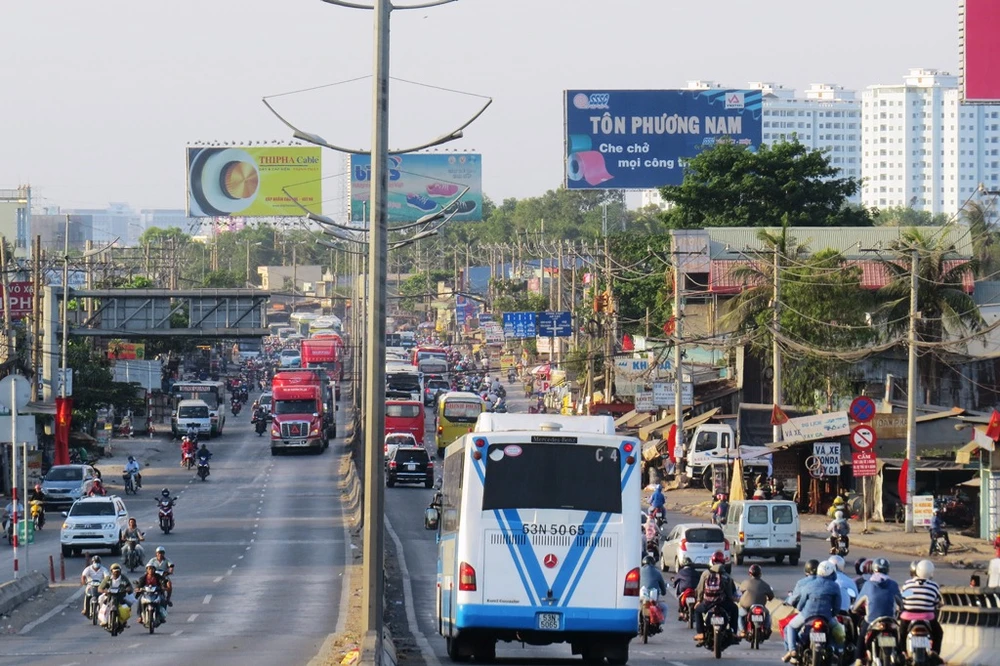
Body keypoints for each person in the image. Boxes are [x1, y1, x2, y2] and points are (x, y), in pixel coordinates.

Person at [783, 560, 844, 663]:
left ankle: (792, 650)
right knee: (839, 630)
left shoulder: (809, 585)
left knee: (791, 627)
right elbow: (837, 606)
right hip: (826, 616)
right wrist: (831, 615)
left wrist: (802, 610)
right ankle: (834, 650)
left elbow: (801, 604)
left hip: (807, 615)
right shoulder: (834, 586)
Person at [851, 557, 901, 666]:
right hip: (890, 620)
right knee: (899, 638)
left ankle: (858, 659)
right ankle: (901, 655)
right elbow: (900, 603)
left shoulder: (868, 584)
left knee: (861, 637)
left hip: (872, 621)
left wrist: (854, 609)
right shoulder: (893, 584)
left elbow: (857, 605)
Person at [693, 550, 739, 645]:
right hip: (722, 603)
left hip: (708, 603)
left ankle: (700, 633)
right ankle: (734, 631)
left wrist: (698, 601)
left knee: (697, 610)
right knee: (735, 608)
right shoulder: (726, 576)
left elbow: (700, 589)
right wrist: (731, 600)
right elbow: (730, 594)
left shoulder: (705, 574)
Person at [898, 559, 942, 658]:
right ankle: (934, 653)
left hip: (908, 616)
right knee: (938, 633)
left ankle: (903, 652)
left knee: (902, 633)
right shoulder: (933, 586)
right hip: (927, 616)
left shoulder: (908, 584)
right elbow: (936, 602)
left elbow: (903, 598)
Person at [737, 564, 774, 637]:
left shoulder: (745, 583)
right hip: (760, 607)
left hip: (747, 607)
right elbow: (771, 596)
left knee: (740, 615)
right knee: (767, 615)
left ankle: (743, 631)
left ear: (750, 573)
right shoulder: (765, 585)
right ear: (760, 573)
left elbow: (740, 591)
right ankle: (766, 628)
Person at [97, 563, 135, 627]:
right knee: (101, 600)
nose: (116, 573)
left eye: (117, 571)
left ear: (120, 571)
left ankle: (125, 621)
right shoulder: (108, 578)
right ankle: (103, 619)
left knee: (130, 601)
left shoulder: (123, 578)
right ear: (111, 571)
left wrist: (127, 589)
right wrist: (104, 591)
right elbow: (100, 588)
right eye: (114, 572)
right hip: (109, 595)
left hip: (121, 596)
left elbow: (129, 587)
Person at [639, 555, 668, 622]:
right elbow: (663, 588)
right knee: (665, 607)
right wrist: (663, 592)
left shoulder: (639, 571)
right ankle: (660, 623)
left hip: (641, 600)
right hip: (653, 600)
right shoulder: (657, 573)